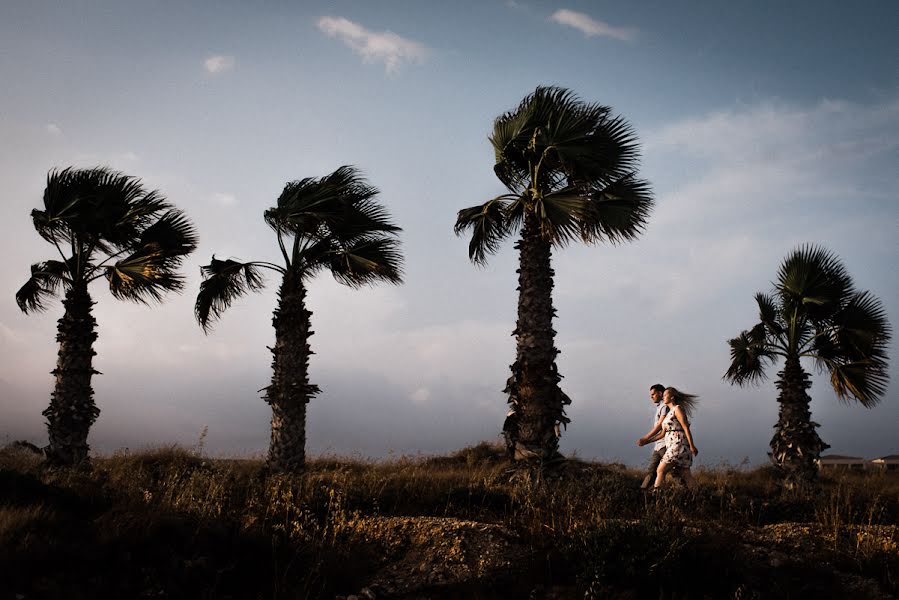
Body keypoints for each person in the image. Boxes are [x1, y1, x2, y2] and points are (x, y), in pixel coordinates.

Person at [638, 387, 699, 490]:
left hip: (679, 445)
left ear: (672, 397)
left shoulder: (677, 409)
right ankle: (698, 495)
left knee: (660, 470)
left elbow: (685, 428)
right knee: (685, 474)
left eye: (665, 395)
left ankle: (657, 495)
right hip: (673, 445)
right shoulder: (668, 414)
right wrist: (647, 441)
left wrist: (692, 446)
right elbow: (662, 434)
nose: (663, 396)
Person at [635, 384, 668, 489]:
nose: (651, 397)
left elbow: (660, 426)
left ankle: (690, 494)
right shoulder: (660, 407)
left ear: (660, 393)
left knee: (676, 472)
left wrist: (645, 438)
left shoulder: (665, 406)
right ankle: (643, 493)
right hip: (658, 446)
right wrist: (647, 441)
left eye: (653, 394)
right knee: (651, 470)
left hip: (665, 445)